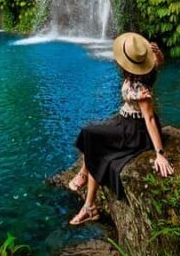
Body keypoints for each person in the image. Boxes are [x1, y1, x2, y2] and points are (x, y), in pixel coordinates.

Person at [68, 32, 174, 225]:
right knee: (93, 138)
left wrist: (160, 153)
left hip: (135, 130)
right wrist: (158, 56)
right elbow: (158, 65)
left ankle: (87, 195)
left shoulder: (142, 89)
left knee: (90, 134)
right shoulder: (145, 72)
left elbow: (149, 118)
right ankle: (89, 205)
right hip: (123, 120)